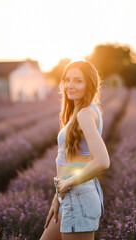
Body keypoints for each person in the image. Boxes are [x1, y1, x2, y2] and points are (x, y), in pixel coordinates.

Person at [40, 60, 110, 240]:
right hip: (68, 195)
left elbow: (102, 161)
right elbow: (73, 160)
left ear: (90, 84)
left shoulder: (85, 114)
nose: (70, 85)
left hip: (78, 195)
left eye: (78, 81)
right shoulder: (81, 111)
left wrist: (67, 184)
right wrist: (58, 197)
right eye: (67, 79)